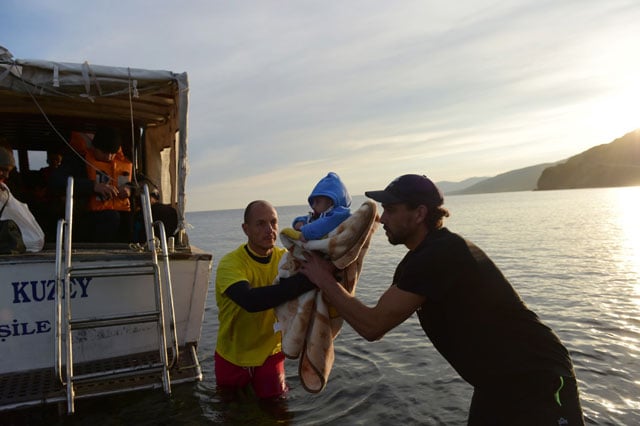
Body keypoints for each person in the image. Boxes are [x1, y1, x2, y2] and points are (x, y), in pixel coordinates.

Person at [299, 174, 585, 425]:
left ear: (419, 213)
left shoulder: (439, 255)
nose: (382, 218)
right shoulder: (423, 258)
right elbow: (376, 316)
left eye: (391, 209)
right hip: (496, 385)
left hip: (538, 380)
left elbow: (373, 326)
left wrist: (323, 280)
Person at [214, 200, 315, 399]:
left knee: (277, 411)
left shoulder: (286, 259)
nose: (269, 230)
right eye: (260, 224)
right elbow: (251, 301)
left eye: (273, 222)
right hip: (232, 356)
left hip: (271, 354)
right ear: (246, 229)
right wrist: (307, 281)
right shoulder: (230, 263)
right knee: (229, 411)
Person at [51, 127, 133, 242]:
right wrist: (92, 186)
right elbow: (56, 181)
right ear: (94, 148)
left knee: (130, 220)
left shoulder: (123, 163)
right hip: (85, 217)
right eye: (104, 152)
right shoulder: (78, 160)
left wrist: (130, 189)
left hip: (119, 216)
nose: (109, 157)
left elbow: (141, 184)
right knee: (111, 217)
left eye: (113, 153)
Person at [292, 172, 351, 242]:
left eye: (317, 201)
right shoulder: (320, 215)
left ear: (330, 201)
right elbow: (310, 219)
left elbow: (323, 225)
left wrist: (305, 233)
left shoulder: (340, 215)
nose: (313, 205)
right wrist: (300, 221)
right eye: (313, 202)